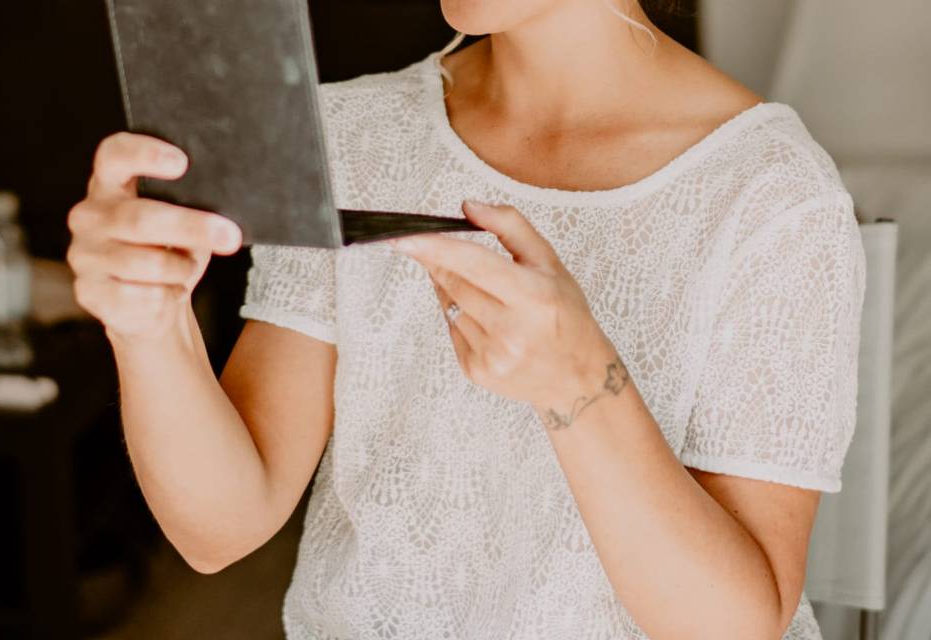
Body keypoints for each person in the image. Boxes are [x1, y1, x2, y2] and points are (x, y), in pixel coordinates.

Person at [65, 0, 866, 637]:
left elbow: (731, 628)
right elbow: (219, 530)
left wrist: (584, 386)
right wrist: (146, 324)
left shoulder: (773, 198)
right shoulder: (346, 136)